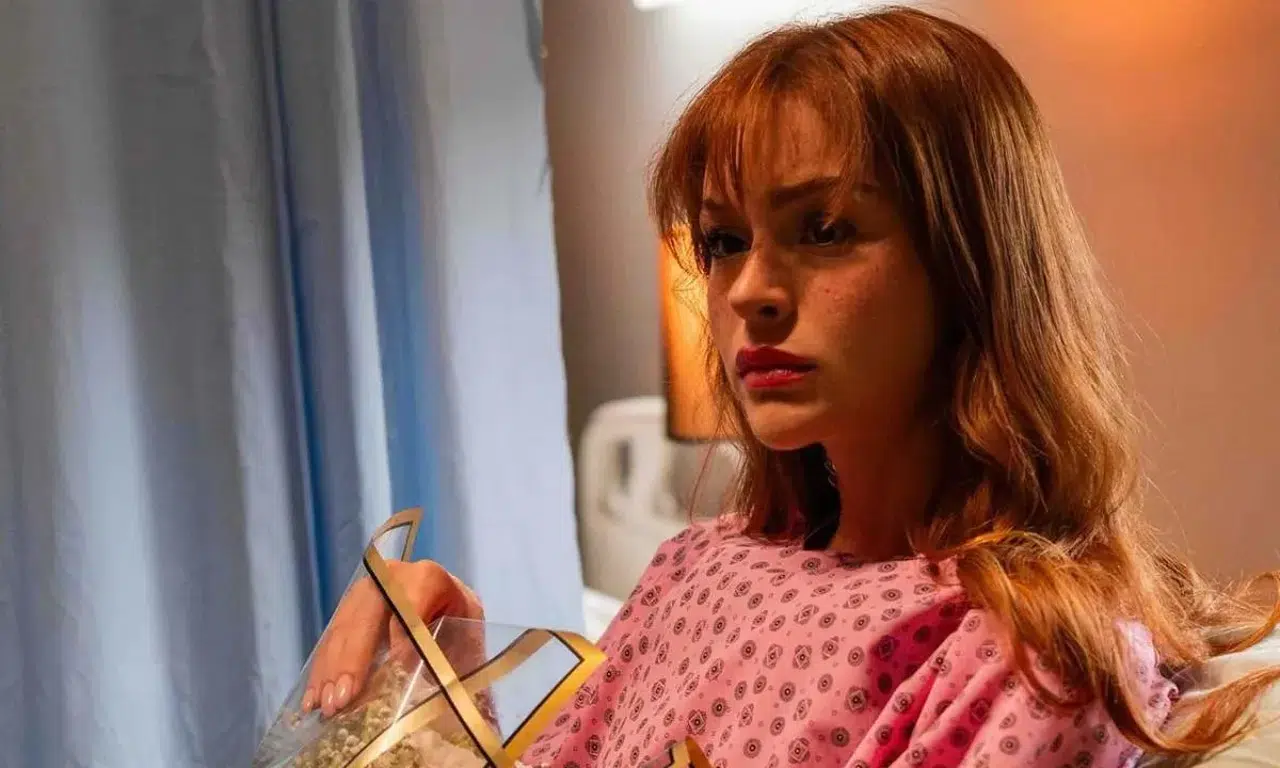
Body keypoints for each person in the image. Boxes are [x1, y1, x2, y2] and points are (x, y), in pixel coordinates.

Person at [303, 7, 1280, 766]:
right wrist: (441, 684)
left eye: (825, 229)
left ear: (972, 264)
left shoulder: (1022, 654)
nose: (749, 292)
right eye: (724, 241)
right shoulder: (696, 567)